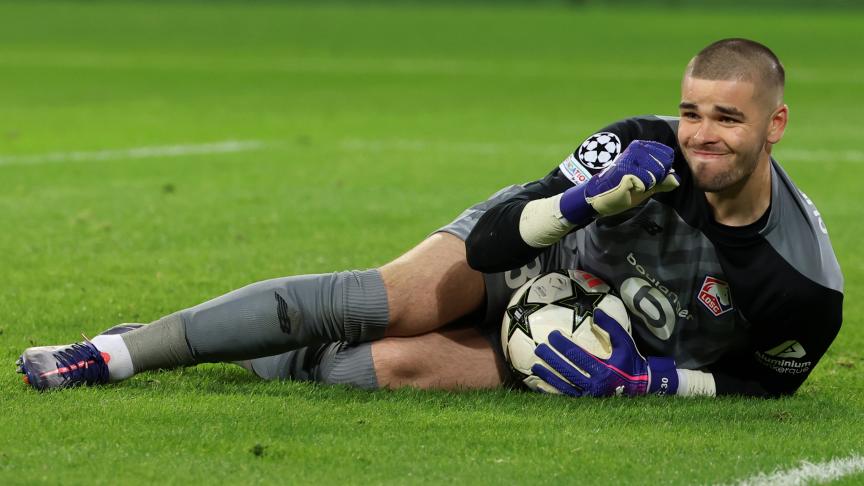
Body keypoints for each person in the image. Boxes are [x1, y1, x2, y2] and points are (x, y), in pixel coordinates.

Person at [17, 38, 843, 398]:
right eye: (690, 111)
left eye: (727, 120)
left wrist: (650, 381)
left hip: (597, 344)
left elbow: (771, 384)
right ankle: (113, 353)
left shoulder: (801, 286)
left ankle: (236, 350)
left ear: (774, 125)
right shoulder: (636, 147)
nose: (699, 135)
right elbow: (491, 241)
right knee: (372, 303)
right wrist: (583, 203)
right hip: (541, 255)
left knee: (365, 371)